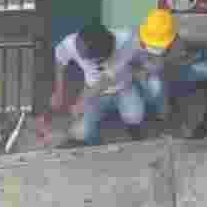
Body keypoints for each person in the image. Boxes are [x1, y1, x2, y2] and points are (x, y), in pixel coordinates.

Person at [66, 8, 187, 146]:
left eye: (160, 45)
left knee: (156, 87)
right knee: (150, 89)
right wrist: (83, 101)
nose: (153, 47)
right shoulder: (132, 40)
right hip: (132, 75)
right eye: (149, 43)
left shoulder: (177, 42)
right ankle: (143, 108)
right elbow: (109, 75)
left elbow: (172, 59)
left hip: (149, 72)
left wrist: (157, 64)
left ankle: (161, 117)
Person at [35, 23, 128, 144]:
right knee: (83, 131)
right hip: (92, 86)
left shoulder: (125, 43)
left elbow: (105, 81)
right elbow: (60, 61)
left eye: (83, 55)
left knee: (133, 115)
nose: (77, 52)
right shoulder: (72, 42)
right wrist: (58, 91)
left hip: (120, 86)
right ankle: (93, 141)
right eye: (78, 49)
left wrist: (82, 102)